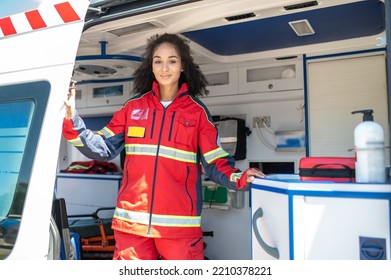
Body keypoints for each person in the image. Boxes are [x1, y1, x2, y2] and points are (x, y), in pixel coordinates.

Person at [62, 33, 265, 260]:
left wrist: (240, 177)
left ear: (183, 66)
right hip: (133, 227)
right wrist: (71, 117)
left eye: (172, 60)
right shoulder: (133, 108)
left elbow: (215, 162)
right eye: (158, 61)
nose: (164, 68)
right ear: (151, 66)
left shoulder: (197, 113)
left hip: (178, 229)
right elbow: (101, 147)